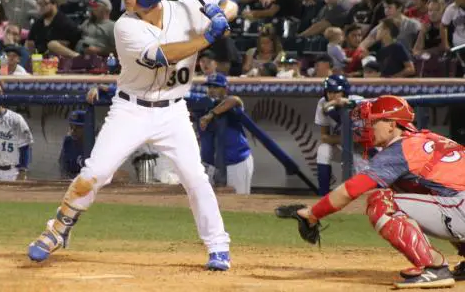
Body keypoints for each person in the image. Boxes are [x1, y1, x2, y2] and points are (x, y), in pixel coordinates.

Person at [27, 0, 237, 271]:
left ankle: (218, 246)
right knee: (95, 173)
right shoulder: (125, 27)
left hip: (174, 111)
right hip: (131, 110)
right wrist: (208, 36)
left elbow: (230, 4)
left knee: (195, 178)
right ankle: (57, 230)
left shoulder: (187, 8)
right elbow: (165, 55)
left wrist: (222, 13)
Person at [290, 95, 465, 288]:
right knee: (423, 193)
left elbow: (351, 190)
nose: (366, 127)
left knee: (381, 201)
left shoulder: (398, 150)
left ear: (391, 124)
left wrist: (313, 213)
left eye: (372, 122)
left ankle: (434, 268)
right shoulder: (429, 138)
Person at [197, 73, 254, 195]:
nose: (211, 90)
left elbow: (234, 100)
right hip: (211, 164)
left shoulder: (231, 105)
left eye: (216, 87)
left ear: (225, 89)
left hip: (237, 161)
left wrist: (211, 115)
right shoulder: (203, 105)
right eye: (209, 87)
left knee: (238, 201)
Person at [313, 75, 364, 196]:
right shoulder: (323, 103)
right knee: (323, 149)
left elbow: (362, 139)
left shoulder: (358, 102)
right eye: (329, 92)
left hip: (365, 152)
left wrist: (348, 140)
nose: (332, 95)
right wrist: (346, 140)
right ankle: (323, 195)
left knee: (359, 188)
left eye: (336, 92)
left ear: (344, 92)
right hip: (346, 147)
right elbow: (324, 137)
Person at [58, 110, 87, 179]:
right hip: (71, 182)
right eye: (71, 126)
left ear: (87, 128)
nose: (73, 130)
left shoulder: (94, 144)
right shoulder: (68, 141)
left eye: (77, 127)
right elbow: (63, 166)